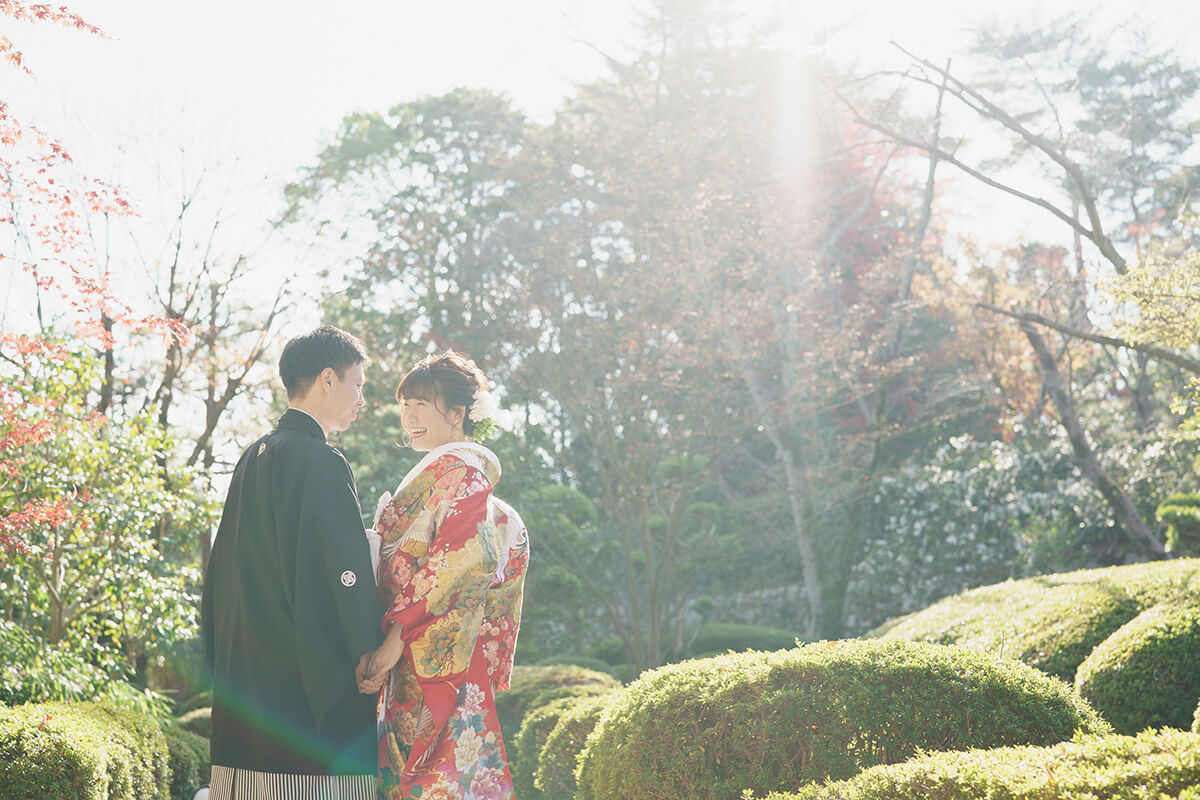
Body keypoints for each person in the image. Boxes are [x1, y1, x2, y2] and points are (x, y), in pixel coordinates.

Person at [202, 325, 383, 800]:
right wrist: (368, 648)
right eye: (357, 384)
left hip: (246, 674)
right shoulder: (319, 459)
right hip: (301, 680)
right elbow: (342, 571)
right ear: (328, 378)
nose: (361, 398)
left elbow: (223, 568)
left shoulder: (252, 456)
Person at [357, 351, 528, 800]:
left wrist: (393, 641)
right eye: (404, 404)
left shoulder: (466, 473)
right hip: (420, 648)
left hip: (430, 650)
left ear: (458, 412)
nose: (407, 416)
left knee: (435, 779)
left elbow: (456, 563)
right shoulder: (446, 470)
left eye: (420, 405)